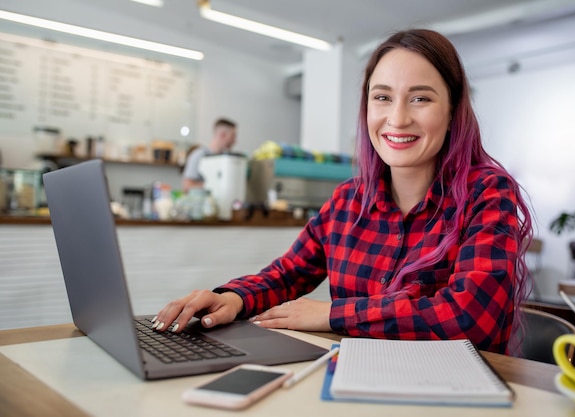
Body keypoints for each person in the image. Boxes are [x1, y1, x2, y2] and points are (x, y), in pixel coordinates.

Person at [154, 29, 533, 355]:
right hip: (356, 382)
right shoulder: (347, 201)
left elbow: (469, 317)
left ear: (452, 111)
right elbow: (288, 275)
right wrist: (232, 298)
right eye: (382, 97)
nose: (397, 118)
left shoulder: (488, 193)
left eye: (420, 98)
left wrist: (331, 314)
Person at [182, 118, 237, 192]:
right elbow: (187, 186)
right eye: (233, 136)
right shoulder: (199, 155)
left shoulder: (225, 159)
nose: (235, 141)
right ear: (223, 135)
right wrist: (214, 185)